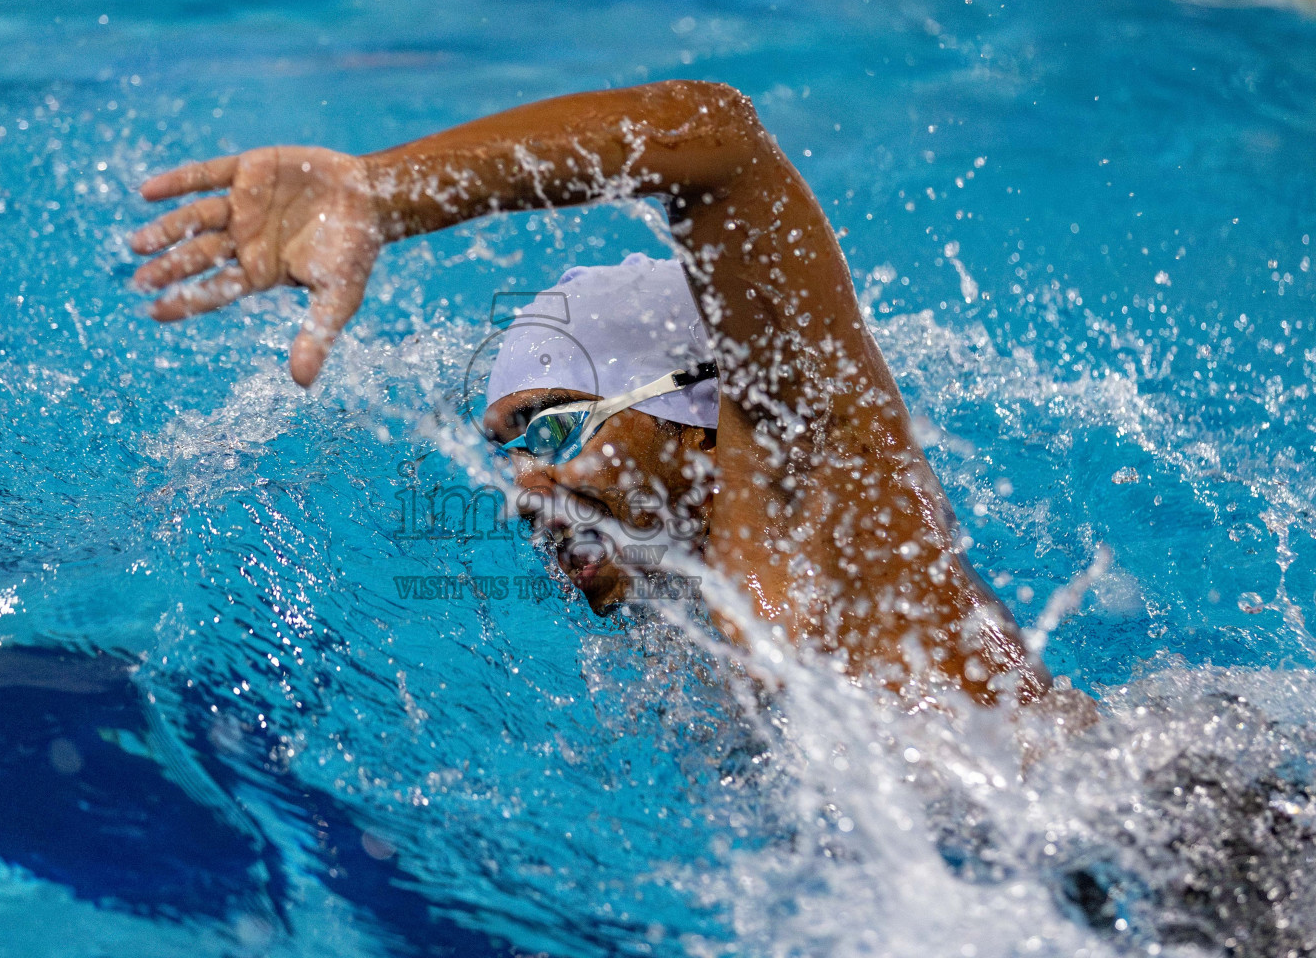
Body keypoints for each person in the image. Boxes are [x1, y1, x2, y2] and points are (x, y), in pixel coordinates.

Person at [129, 79, 1049, 706]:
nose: (528, 487)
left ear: (693, 415)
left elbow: (720, 139)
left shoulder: (822, 498)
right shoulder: (671, 643)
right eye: (515, 451)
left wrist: (385, 193)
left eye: (559, 429)